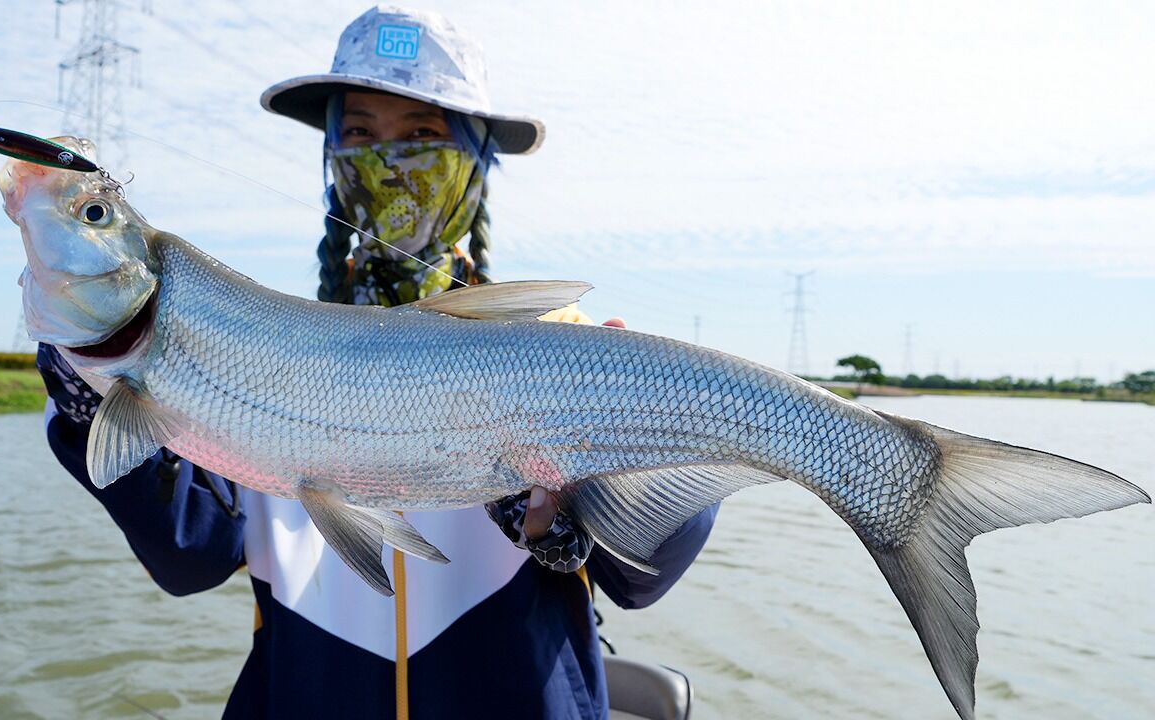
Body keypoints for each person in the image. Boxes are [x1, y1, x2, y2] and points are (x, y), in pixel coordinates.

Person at [37, 6, 717, 718]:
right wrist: (89, 392)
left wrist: (595, 495)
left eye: (422, 134)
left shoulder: (556, 348)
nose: (388, 160)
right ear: (332, 156)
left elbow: (644, 578)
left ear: (477, 160)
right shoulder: (259, 359)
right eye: (360, 133)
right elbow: (190, 555)